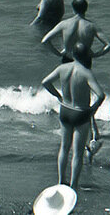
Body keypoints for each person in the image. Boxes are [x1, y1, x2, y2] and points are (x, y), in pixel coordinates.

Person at [41, 43, 105, 189]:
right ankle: (74, 185)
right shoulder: (86, 72)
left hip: (65, 110)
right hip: (81, 112)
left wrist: (58, 96)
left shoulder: (63, 68)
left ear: (74, 54)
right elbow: (101, 95)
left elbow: (45, 82)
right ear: (86, 56)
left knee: (64, 148)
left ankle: (60, 181)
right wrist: (92, 110)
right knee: (77, 153)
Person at [42, 0, 110, 64]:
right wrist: (95, 55)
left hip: (68, 58)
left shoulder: (64, 24)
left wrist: (58, 53)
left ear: (73, 9)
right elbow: (109, 45)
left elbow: (45, 40)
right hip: (84, 60)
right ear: (86, 9)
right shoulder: (91, 26)